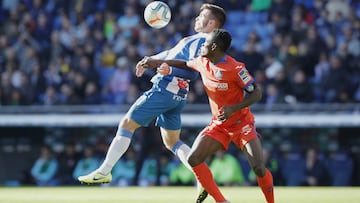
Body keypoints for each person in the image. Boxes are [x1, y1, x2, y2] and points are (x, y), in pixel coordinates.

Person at [78, 3, 226, 202]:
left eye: (201, 16)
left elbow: (193, 68)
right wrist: (150, 59)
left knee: (127, 124)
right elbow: (170, 55)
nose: (197, 19)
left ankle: (105, 171)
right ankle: (202, 177)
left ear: (212, 22)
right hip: (178, 95)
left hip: (165, 89)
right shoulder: (195, 40)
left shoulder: (203, 40)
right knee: (172, 141)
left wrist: (167, 69)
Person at [141, 29, 274, 203]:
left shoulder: (236, 68)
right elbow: (185, 64)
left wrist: (234, 108)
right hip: (220, 124)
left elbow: (256, 93)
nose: (201, 46)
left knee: (258, 168)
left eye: (204, 44)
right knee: (194, 159)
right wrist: (157, 61)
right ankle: (221, 201)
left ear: (213, 47)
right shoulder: (203, 61)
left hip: (242, 124)